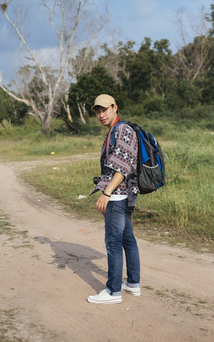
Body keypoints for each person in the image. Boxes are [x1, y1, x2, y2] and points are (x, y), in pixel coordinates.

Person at [87, 94, 141, 304]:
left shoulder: (123, 130)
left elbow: (123, 165)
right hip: (124, 194)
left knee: (113, 242)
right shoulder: (115, 130)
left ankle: (112, 291)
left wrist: (106, 193)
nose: (101, 114)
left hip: (118, 195)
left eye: (105, 109)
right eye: (98, 111)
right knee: (127, 238)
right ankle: (133, 283)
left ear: (115, 107)